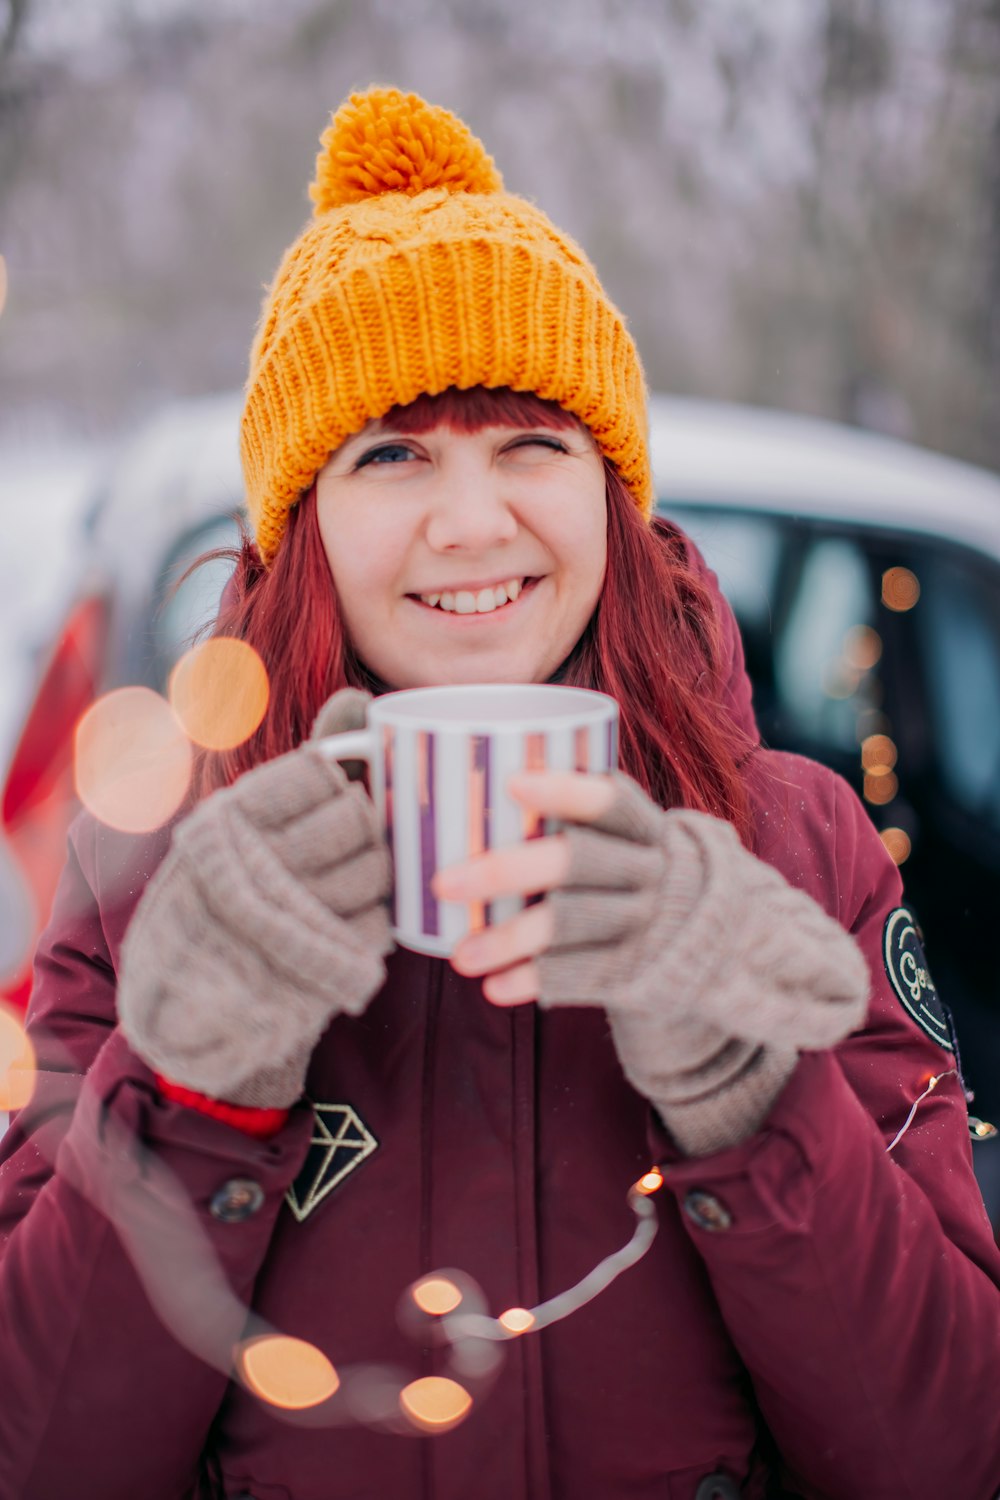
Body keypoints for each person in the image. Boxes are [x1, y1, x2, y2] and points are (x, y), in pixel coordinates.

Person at [0, 86, 998, 1500]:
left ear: (609, 490)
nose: (475, 523)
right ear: (304, 525)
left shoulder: (797, 847)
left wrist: (750, 1095)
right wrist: (188, 1096)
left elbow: (956, 1451)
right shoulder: (153, 862)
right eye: (393, 453)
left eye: (532, 443)